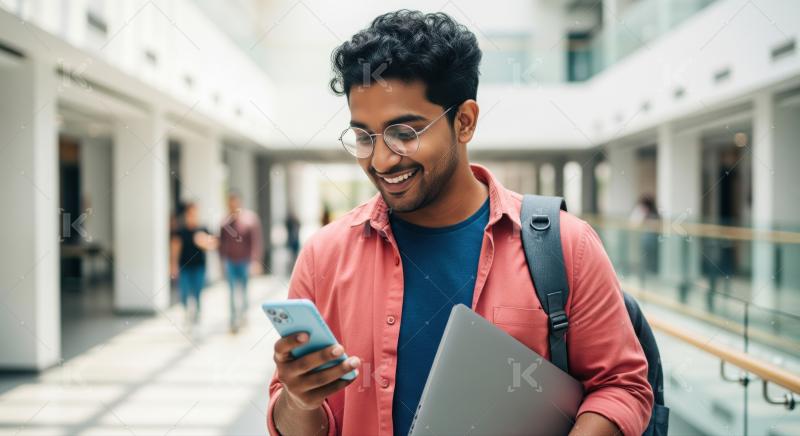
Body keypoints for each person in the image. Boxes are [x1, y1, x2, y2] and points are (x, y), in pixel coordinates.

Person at [268, 10, 653, 436]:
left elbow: (623, 387)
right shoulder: (324, 257)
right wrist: (299, 399)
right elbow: (288, 425)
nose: (380, 160)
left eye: (404, 132)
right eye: (364, 137)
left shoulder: (566, 245)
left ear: (464, 121)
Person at [219, 190, 263, 333]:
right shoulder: (224, 222)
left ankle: (243, 315)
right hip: (230, 262)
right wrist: (222, 263)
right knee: (231, 292)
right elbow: (221, 244)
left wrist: (255, 262)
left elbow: (255, 242)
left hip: (245, 261)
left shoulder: (250, 220)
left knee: (244, 291)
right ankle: (233, 319)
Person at [170, 201, 216, 327]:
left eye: (194, 213)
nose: (192, 216)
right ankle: (186, 312)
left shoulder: (203, 229)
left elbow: (214, 244)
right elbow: (175, 249)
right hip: (184, 267)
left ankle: (197, 315)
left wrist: (203, 242)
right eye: (189, 213)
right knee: (184, 293)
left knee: (198, 292)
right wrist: (173, 266)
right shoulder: (180, 231)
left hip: (199, 267)